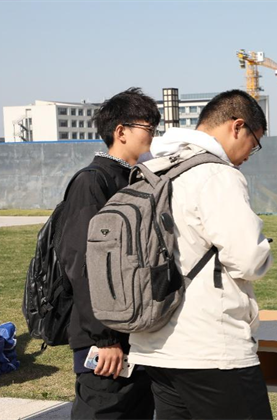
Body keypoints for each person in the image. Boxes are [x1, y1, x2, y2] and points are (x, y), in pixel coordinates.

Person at [127, 89, 274, 420]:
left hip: (153, 344)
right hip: (211, 347)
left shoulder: (154, 168)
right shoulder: (217, 175)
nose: (250, 154)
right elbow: (248, 259)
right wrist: (264, 248)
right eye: (254, 143)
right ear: (237, 126)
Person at [59, 87, 160, 419]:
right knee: (105, 409)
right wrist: (105, 340)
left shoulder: (138, 179)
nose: (153, 135)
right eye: (148, 127)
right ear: (121, 131)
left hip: (137, 333)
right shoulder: (93, 182)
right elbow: (82, 264)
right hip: (105, 341)